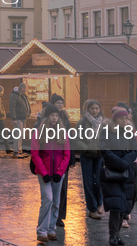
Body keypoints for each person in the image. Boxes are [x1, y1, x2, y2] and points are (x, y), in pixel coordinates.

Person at [31, 103, 70, 243]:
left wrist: (60, 172)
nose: (54, 118)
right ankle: (42, 230)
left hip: (58, 173)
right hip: (44, 173)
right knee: (47, 199)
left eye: (56, 115)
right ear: (47, 117)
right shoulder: (39, 132)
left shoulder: (62, 132)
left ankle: (51, 228)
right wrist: (44, 172)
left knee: (56, 201)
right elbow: (35, 154)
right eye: (52, 115)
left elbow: (67, 154)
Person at [100, 107, 137, 246]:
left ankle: (117, 235)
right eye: (122, 118)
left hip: (127, 172)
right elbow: (104, 150)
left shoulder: (129, 131)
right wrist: (119, 162)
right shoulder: (107, 131)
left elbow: (135, 148)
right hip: (113, 173)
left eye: (126, 118)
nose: (125, 121)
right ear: (115, 118)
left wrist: (125, 162)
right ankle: (113, 236)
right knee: (116, 205)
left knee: (125, 205)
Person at [74, 99, 105, 220]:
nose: (95, 111)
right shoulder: (82, 122)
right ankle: (92, 208)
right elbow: (76, 138)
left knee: (99, 181)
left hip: (99, 156)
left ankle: (99, 204)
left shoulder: (104, 123)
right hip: (87, 155)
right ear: (88, 109)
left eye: (97, 108)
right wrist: (86, 147)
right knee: (88, 182)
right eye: (92, 108)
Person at [50, 93, 76, 227]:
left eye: (61, 103)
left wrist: (71, 157)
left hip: (63, 159)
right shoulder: (47, 119)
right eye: (57, 103)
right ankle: (51, 214)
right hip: (50, 158)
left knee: (63, 188)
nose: (60, 105)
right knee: (51, 189)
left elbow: (69, 140)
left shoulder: (65, 119)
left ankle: (60, 215)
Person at [8, 82, 30, 158]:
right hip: (18, 118)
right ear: (22, 88)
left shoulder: (23, 95)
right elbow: (12, 107)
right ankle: (16, 151)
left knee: (20, 135)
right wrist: (14, 118)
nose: (26, 90)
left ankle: (19, 150)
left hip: (23, 118)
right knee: (18, 135)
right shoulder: (14, 96)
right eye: (25, 88)